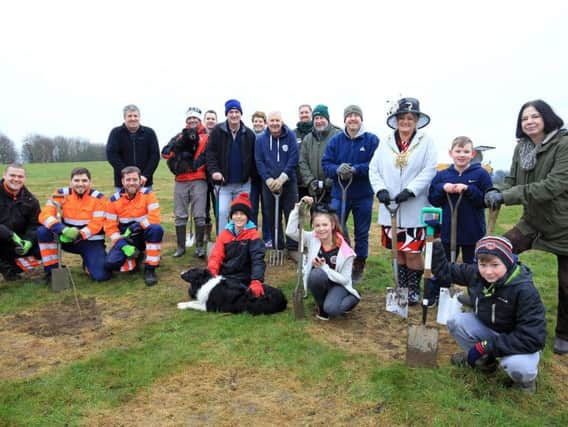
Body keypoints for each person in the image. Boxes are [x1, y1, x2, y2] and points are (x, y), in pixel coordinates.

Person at [484, 99, 568, 355]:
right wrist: (495, 190)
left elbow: (553, 185)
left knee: (566, 284)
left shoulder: (564, 144)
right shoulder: (522, 148)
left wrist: (508, 196)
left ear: (546, 118)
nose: (529, 121)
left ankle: (564, 333)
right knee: (497, 251)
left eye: (534, 116)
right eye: (524, 118)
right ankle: (484, 299)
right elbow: (510, 180)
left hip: (564, 224)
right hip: (533, 221)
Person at [432, 236, 546, 393]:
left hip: (518, 339)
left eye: (495, 265)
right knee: (455, 322)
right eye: (482, 264)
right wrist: (435, 249)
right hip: (490, 328)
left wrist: (487, 345)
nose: (488, 271)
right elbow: (445, 271)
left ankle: (525, 382)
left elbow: (533, 338)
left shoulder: (525, 291)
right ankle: (486, 363)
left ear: (507, 262)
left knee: (519, 367)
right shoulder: (476, 274)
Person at [369, 97, 437, 304]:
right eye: (402, 118)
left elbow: (430, 170)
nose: (405, 122)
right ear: (396, 119)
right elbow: (374, 169)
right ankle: (402, 287)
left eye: (410, 118)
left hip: (414, 206)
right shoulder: (386, 142)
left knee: (413, 251)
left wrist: (410, 191)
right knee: (397, 250)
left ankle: (414, 288)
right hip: (390, 206)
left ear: (416, 120)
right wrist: (380, 190)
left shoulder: (426, 142)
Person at [427, 136, 493, 298]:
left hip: (473, 230)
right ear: (451, 153)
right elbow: (433, 198)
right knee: (444, 265)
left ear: (472, 154)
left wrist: (468, 189)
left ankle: (475, 296)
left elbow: (486, 200)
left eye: (466, 151)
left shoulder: (481, 174)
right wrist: (443, 188)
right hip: (448, 230)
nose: (461, 155)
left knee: (473, 265)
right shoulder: (443, 175)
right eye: (458, 151)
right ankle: (440, 294)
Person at [322, 105, 378, 283]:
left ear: (361, 119)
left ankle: (359, 264)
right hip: (340, 193)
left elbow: (376, 165)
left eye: (356, 116)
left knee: (361, 232)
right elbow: (326, 163)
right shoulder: (336, 141)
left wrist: (356, 169)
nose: (353, 119)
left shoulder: (371, 140)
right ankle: (338, 260)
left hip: (363, 195)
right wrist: (337, 169)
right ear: (345, 119)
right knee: (335, 228)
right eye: (349, 116)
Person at [286, 196, 360, 320]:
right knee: (316, 275)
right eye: (317, 225)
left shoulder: (345, 251)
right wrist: (299, 208)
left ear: (332, 225)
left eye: (325, 225)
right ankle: (320, 305)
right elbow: (290, 232)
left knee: (332, 309)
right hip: (321, 282)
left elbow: (345, 280)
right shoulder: (312, 238)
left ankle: (352, 299)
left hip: (339, 285)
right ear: (313, 227)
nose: (321, 229)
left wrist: (324, 268)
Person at [38, 167, 111, 283]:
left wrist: (78, 234)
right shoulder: (61, 194)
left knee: (101, 276)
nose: (80, 184)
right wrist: (62, 229)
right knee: (43, 231)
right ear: (70, 182)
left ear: (90, 182)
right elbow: (45, 215)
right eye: (76, 180)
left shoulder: (99, 198)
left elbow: (96, 224)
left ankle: (88, 261)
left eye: (84, 181)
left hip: (90, 241)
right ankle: (51, 271)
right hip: (66, 238)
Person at [161, 106, 209, 258]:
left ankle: (200, 246)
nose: (192, 120)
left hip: (198, 178)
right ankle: (180, 247)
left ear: (199, 119)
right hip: (181, 179)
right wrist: (176, 154)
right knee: (180, 214)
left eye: (195, 118)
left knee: (199, 214)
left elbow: (210, 155)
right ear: (186, 120)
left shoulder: (207, 136)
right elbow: (165, 153)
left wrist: (195, 166)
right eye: (189, 118)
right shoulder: (179, 135)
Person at [104, 166, 163, 286]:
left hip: (145, 234)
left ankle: (150, 269)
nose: (131, 183)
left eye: (135, 180)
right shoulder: (113, 200)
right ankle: (138, 256)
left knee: (156, 229)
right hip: (127, 238)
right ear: (122, 181)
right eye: (128, 179)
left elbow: (155, 218)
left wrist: (138, 226)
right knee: (111, 264)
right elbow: (110, 227)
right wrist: (122, 245)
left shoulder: (149, 195)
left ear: (140, 181)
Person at [205, 99, 257, 233]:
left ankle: (240, 243)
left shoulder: (249, 134)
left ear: (241, 114)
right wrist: (214, 171)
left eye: (237, 112)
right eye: (231, 112)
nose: (234, 115)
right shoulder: (217, 131)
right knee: (222, 212)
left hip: (243, 184)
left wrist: (251, 176)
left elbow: (253, 158)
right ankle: (223, 242)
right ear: (226, 114)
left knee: (241, 214)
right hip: (223, 184)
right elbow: (210, 154)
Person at [255, 111, 299, 260]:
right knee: (271, 215)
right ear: (267, 122)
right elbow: (259, 161)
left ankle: (293, 247)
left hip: (288, 182)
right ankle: (277, 245)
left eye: (277, 120)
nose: (274, 123)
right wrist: (268, 180)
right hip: (268, 185)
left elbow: (294, 157)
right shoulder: (261, 139)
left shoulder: (290, 136)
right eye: (272, 120)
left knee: (291, 214)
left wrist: (282, 178)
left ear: (282, 121)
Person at [207, 192, 266, 298]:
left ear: (247, 217)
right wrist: (211, 275)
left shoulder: (254, 235)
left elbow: (257, 260)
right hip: (225, 276)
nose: (239, 217)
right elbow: (216, 257)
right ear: (231, 216)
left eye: (242, 214)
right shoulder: (224, 234)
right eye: (235, 214)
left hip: (244, 277)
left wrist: (256, 281)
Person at [0, 163, 41, 281]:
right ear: (5, 175)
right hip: (3, 238)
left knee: (43, 248)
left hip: (17, 243)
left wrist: (28, 240)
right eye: (12, 175)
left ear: (24, 178)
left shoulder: (31, 200)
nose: (16, 179)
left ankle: (11, 268)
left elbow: (35, 224)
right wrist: (9, 235)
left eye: (20, 176)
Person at [106, 104, 160, 191]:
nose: (133, 118)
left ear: (139, 117)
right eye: (130, 116)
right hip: (122, 183)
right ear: (125, 118)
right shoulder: (115, 133)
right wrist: (126, 175)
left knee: (146, 205)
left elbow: (154, 156)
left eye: (135, 116)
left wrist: (145, 175)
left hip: (144, 182)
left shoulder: (149, 133)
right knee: (121, 205)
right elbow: (112, 155)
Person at [298, 104, 341, 205]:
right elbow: (302, 161)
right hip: (315, 191)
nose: (318, 121)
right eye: (316, 118)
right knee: (317, 219)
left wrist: (331, 179)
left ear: (327, 119)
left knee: (333, 219)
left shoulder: (338, 135)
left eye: (321, 118)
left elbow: (342, 159)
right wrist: (310, 181)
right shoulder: (308, 139)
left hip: (334, 190)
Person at [250, 111, 272, 246]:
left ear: (264, 123)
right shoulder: (249, 136)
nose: (258, 123)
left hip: (265, 178)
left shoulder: (268, 137)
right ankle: (252, 235)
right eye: (255, 121)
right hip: (252, 178)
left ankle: (268, 237)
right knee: (252, 208)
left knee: (267, 208)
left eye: (260, 121)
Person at [202, 109, 218, 242]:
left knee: (218, 205)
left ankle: (221, 231)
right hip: (202, 177)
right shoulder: (199, 135)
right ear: (204, 120)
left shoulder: (220, 134)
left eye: (213, 118)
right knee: (204, 207)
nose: (210, 121)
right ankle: (206, 234)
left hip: (217, 177)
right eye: (208, 118)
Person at [294, 103, 313, 200]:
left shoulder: (316, 132)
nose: (304, 114)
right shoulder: (293, 134)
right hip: (298, 181)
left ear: (311, 114)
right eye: (302, 112)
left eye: (306, 112)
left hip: (313, 181)